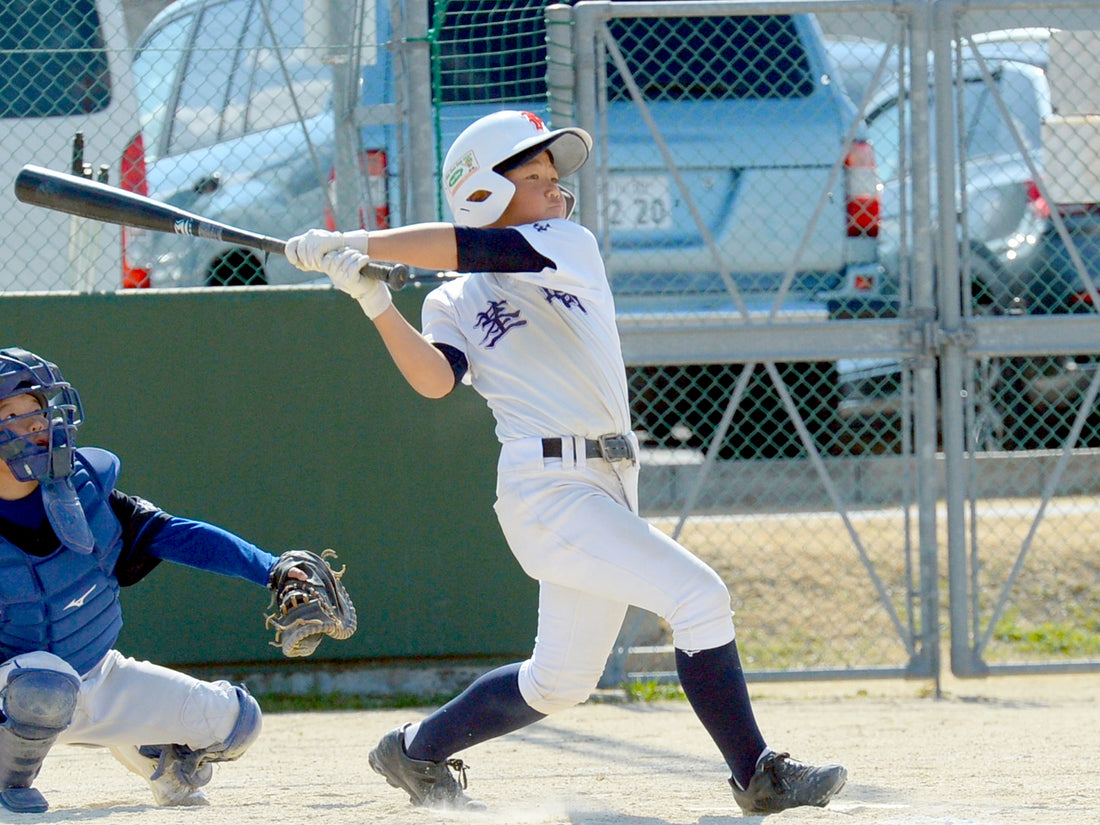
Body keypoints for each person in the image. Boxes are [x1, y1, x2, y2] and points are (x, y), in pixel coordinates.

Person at [284, 109, 847, 816]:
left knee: (559, 680)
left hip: (609, 480)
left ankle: (415, 749)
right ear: (483, 190)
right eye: (535, 177)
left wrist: (353, 240)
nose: (557, 190)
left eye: (555, 178)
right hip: (545, 491)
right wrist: (373, 301)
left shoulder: (565, 244)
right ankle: (759, 775)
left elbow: (470, 248)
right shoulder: (452, 299)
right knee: (697, 596)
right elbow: (435, 377)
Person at [0, 346, 314, 813]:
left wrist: (274, 568)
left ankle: (151, 752)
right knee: (44, 689)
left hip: (94, 672)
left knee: (235, 721)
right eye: (11, 412)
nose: (36, 424)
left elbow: (178, 535)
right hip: (14, 694)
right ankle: (9, 786)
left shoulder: (86, 489)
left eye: (39, 409)